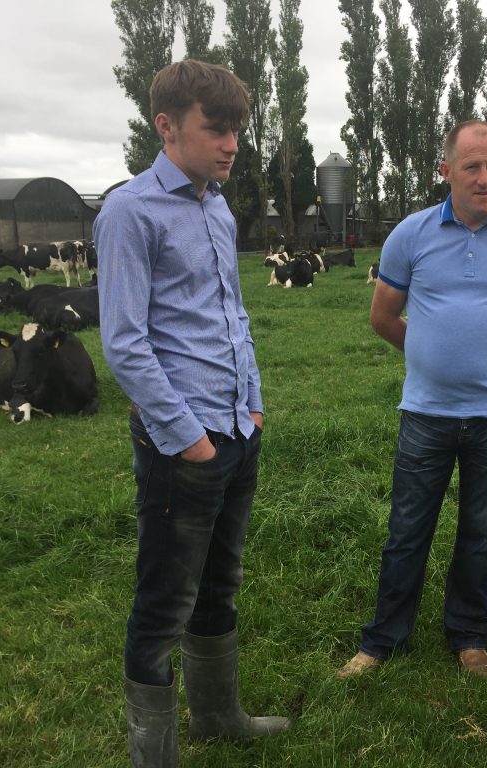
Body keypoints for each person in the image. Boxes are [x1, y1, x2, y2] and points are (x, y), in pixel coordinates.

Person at [94, 59, 290, 768]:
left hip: (237, 430)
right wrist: (190, 442)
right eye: (218, 129)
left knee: (220, 583)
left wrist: (255, 406)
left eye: (238, 129)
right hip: (186, 445)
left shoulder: (216, 203)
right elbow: (124, 341)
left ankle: (218, 718)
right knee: (163, 600)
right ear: (167, 127)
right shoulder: (129, 210)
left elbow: (231, 316)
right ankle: (157, 757)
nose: (233, 143)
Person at [338, 120, 487, 680]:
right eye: (472, 167)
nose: (485, 178)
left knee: (481, 532)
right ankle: (382, 641)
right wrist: (431, 360)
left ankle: (469, 637)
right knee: (407, 527)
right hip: (426, 412)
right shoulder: (410, 236)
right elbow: (384, 317)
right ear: (446, 171)